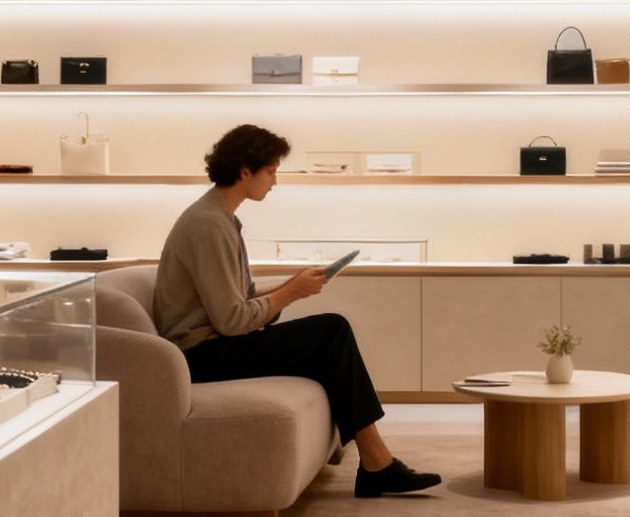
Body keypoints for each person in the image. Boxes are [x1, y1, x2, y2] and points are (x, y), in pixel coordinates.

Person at [152, 123, 441, 497]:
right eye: (271, 171)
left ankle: (376, 462)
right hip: (201, 357)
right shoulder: (209, 226)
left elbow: (240, 301)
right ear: (245, 171)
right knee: (331, 331)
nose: (274, 182)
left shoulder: (219, 218)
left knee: (329, 337)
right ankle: (377, 464)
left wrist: (293, 287)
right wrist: (291, 293)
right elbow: (232, 320)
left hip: (213, 346)